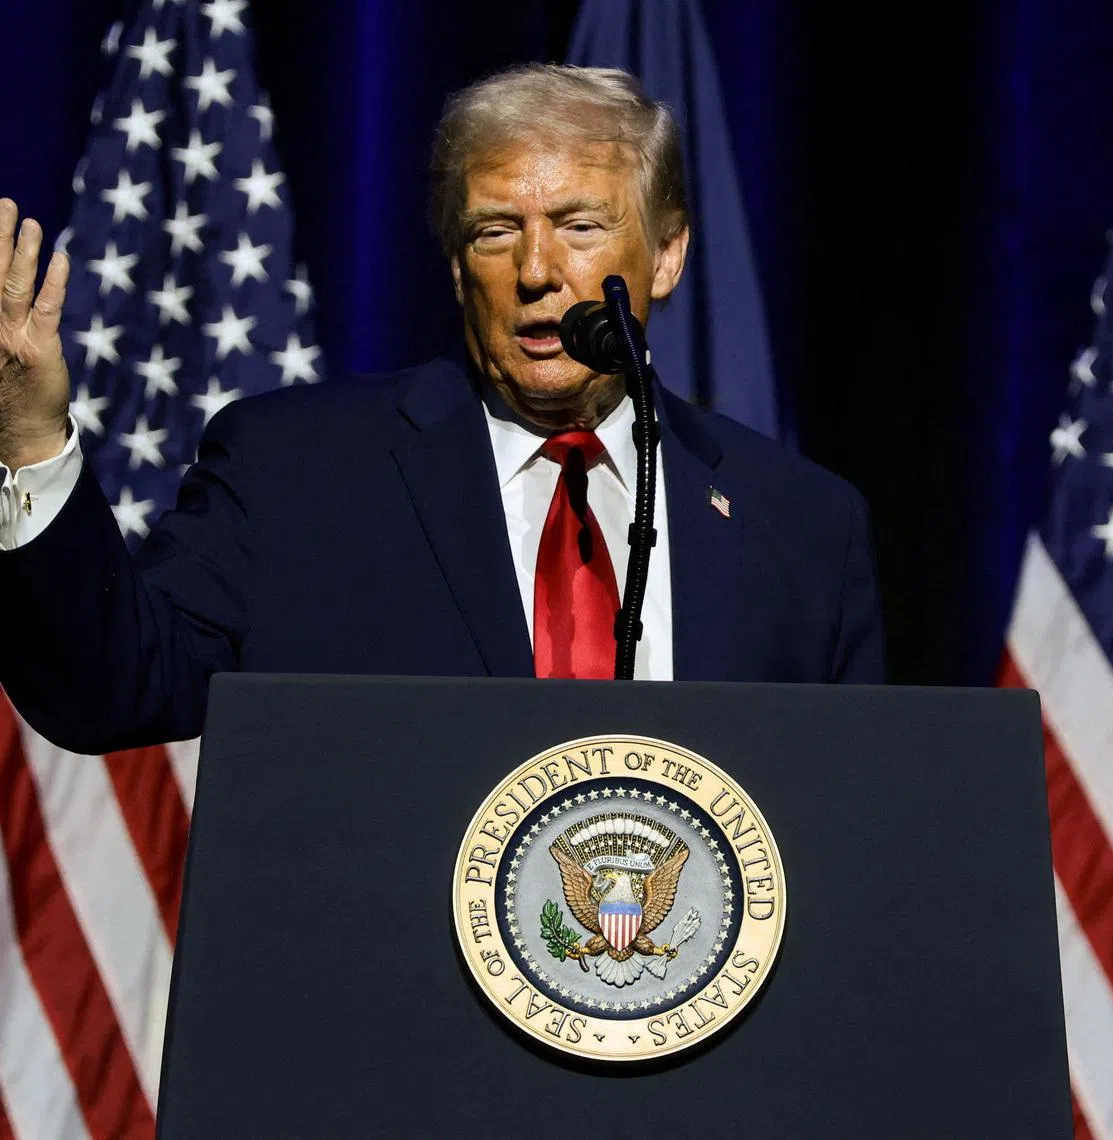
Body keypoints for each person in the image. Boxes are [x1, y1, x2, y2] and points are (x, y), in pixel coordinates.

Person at [0, 64, 882, 754]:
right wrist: (31, 439)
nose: (538, 271)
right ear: (459, 269)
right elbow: (106, 691)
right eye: (496, 231)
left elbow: (855, 817)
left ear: (666, 255)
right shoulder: (294, 475)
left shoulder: (801, 526)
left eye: (580, 225)